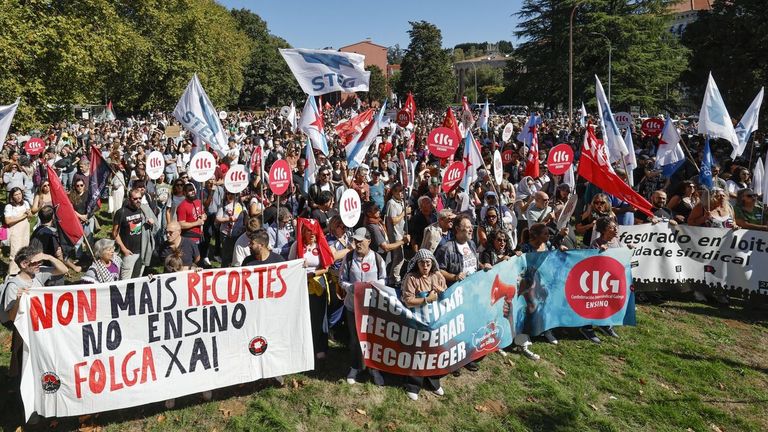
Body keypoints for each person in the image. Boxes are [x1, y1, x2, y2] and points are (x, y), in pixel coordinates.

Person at [2, 246, 68, 384]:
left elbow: (64, 270)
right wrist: (19, 300)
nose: (39, 264)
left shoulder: (38, 274)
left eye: (40, 261)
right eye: (35, 262)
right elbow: (12, 318)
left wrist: (48, 257)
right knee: (23, 364)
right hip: (24, 332)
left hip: (41, 327)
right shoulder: (13, 286)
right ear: (24, 264)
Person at [435, 214, 491, 373]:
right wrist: (453, 276)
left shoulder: (472, 244)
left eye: (471, 228)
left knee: (470, 326)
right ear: (457, 230)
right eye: (467, 228)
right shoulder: (446, 248)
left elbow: (474, 263)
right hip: (455, 295)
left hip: (472, 293)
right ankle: (454, 361)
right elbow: (437, 270)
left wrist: (483, 266)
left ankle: (468, 357)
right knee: (455, 329)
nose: (470, 231)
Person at [340, 227, 387, 386]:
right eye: (356, 241)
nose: (358, 243)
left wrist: (372, 286)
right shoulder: (348, 258)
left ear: (369, 241)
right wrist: (351, 288)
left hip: (372, 307)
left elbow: (383, 280)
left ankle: (374, 369)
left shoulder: (378, 259)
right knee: (355, 339)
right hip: (353, 307)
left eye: (361, 241)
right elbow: (342, 280)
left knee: (372, 338)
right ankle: (355, 366)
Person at [400, 249, 447, 401]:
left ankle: (433, 382)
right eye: (422, 263)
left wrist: (442, 292)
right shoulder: (411, 278)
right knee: (418, 352)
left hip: (435, 321)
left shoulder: (437, 276)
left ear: (432, 263)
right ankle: (413, 385)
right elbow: (408, 300)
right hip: (417, 321)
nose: (425, 265)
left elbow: (446, 295)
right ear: (417, 264)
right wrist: (427, 299)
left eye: (428, 262)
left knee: (434, 350)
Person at [288, 218, 335, 360]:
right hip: (300, 285)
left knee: (319, 317)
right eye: (309, 231)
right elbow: (290, 264)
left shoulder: (321, 245)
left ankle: (320, 346)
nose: (312, 234)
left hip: (317, 284)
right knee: (302, 316)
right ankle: (303, 346)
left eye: (314, 231)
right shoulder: (296, 245)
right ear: (303, 231)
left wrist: (313, 273)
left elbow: (326, 267)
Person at [581, 217, 623, 343]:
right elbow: (590, 261)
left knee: (607, 302)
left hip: (611, 279)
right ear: (604, 230)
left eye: (615, 226)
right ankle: (587, 328)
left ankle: (604, 324)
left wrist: (628, 249)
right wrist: (599, 252)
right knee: (593, 303)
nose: (615, 229)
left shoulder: (617, 241)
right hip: (597, 280)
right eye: (612, 227)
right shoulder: (596, 243)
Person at [113, 188, 155, 279]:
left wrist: (151, 223)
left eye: (139, 198)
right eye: (135, 199)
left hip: (142, 251)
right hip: (129, 253)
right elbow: (114, 233)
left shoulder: (144, 210)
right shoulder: (121, 212)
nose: (138, 201)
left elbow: (155, 227)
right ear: (129, 199)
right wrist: (124, 249)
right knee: (125, 280)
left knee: (137, 278)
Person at [4, 187, 31, 276]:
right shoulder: (9, 206)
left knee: (25, 251)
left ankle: (24, 271)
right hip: (15, 232)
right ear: (12, 197)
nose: (18, 196)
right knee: (15, 252)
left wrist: (29, 213)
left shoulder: (26, 203)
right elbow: (8, 221)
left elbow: (30, 217)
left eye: (19, 194)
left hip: (25, 231)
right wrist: (22, 216)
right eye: (16, 195)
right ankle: (13, 273)